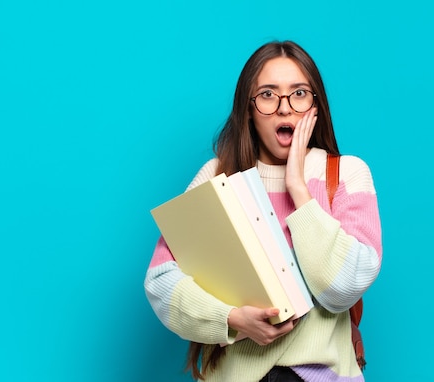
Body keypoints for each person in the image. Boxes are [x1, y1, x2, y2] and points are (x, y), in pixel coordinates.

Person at [144, 40, 383, 382]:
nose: (285, 108)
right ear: (248, 110)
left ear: (316, 105)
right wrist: (231, 318)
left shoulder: (346, 174)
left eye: (299, 93)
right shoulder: (215, 177)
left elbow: (343, 289)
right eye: (268, 95)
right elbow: (161, 281)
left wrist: (298, 188)